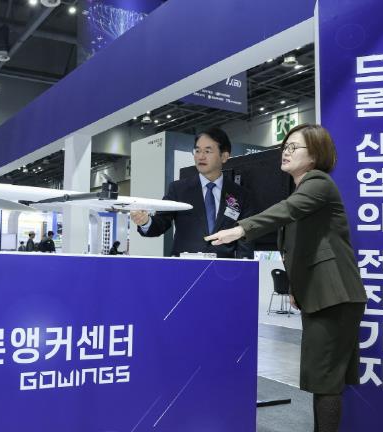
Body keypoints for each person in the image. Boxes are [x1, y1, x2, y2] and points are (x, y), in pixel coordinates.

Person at [205, 124, 367, 432]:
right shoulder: (303, 189)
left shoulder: (318, 183)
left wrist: (241, 228)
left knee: (325, 380)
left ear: (315, 155)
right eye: (285, 146)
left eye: (295, 147)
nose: (286, 152)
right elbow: (301, 246)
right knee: (325, 379)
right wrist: (296, 286)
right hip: (325, 296)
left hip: (334, 296)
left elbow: (286, 211)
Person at [131, 127, 254, 258]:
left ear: (224, 156)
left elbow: (245, 237)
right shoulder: (178, 189)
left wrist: (244, 265)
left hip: (224, 267)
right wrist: (145, 222)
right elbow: (160, 223)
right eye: (197, 151)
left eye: (207, 151)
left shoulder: (240, 195)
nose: (201, 156)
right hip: (185, 266)